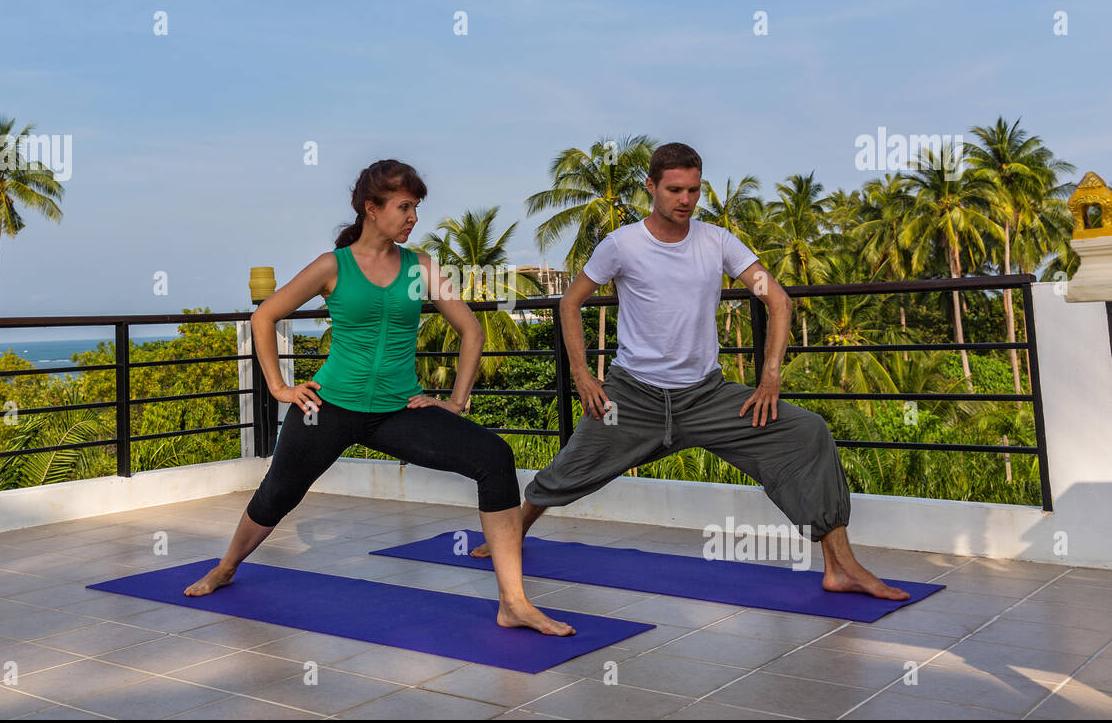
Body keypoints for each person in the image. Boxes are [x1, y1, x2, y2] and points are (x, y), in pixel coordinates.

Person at [469, 143, 910, 601]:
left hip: (706, 399)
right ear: (651, 187)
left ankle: (841, 566)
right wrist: (583, 377)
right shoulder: (622, 244)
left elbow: (776, 300)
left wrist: (770, 377)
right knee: (570, 469)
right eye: (675, 189)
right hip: (633, 398)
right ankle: (515, 531)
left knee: (807, 433)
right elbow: (570, 302)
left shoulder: (718, 242)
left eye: (693, 190)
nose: (685, 199)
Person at [185, 159, 575, 635]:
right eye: (404, 207)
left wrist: (455, 401)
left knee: (494, 456)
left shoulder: (421, 267)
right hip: (330, 407)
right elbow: (264, 316)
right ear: (372, 208)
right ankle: (226, 567)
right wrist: (280, 387)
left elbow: (470, 330)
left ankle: (513, 602)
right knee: (277, 494)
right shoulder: (334, 265)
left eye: (416, 208)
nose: (413, 218)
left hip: (398, 409)